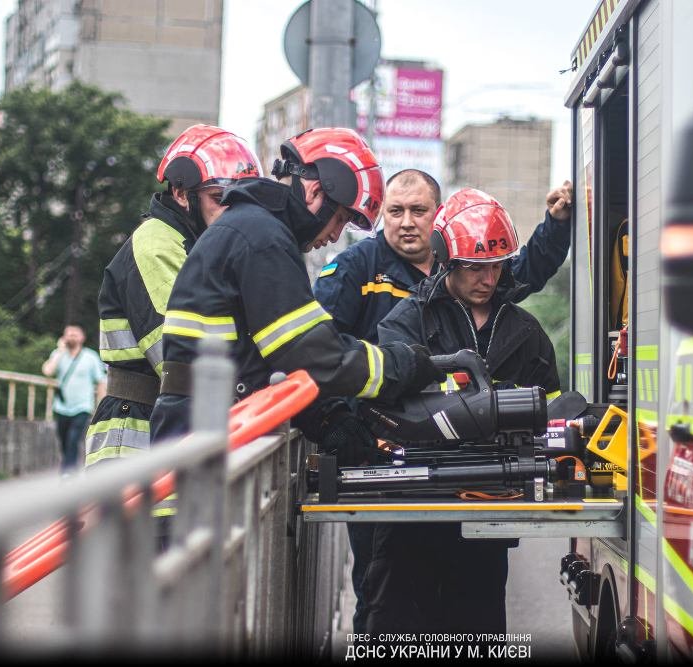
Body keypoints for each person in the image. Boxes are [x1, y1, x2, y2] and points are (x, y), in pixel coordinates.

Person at [312, 169, 572, 634]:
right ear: (449, 260)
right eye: (396, 211)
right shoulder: (385, 298)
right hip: (406, 496)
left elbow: (548, 409)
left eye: (418, 211)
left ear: (435, 224)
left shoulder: (521, 330)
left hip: (487, 506)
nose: (487, 278)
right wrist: (335, 420)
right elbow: (323, 353)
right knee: (390, 617)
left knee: (474, 627)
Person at [149, 127, 443, 452]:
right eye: (341, 219)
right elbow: (312, 355)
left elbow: (270, 359)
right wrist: (399, 366)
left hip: (204, 425)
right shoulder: (262, 238)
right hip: (205, 435)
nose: (334, 236)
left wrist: (325, 416)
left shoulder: (251, 228)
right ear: (316, 192)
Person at [85, 124, 262, 480]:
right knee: (154, 535)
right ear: (182, 194)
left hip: (168, 429)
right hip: (135, 438)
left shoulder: (197, 246)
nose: (231, 211)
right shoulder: (157, 244)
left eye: (239, 200)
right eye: (218, 198)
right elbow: (180, 357)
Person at [42, 324, 106, 473]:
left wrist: (101, 406)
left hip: (82, 406)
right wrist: (59, 350)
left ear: (82, 338)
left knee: (73, 439)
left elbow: (101, 381)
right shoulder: (58, 354)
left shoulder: (90, 357)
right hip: (62, 406)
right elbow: (48, 371)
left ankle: (67, 472)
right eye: (68, 334)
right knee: (64, 440)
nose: (71, 337)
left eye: (75, 334)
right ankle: (70, 467)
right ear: (64, 337)